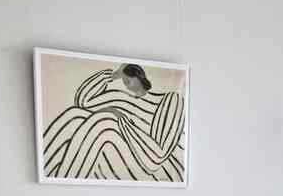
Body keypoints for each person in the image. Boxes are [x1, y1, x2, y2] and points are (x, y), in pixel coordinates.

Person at [42, 63, 185, 182]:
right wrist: (113, 75)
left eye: (129, 79)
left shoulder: (171, 100)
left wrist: (120, 119)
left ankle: (65, 187)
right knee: (75, 115)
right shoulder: (121, 98)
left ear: (139, 76)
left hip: (153, 171)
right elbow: (82, 101)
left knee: (104, 122)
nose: (126, 84)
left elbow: (156, 158)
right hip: (117, 156)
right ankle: (46, 175)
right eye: (124, 80)